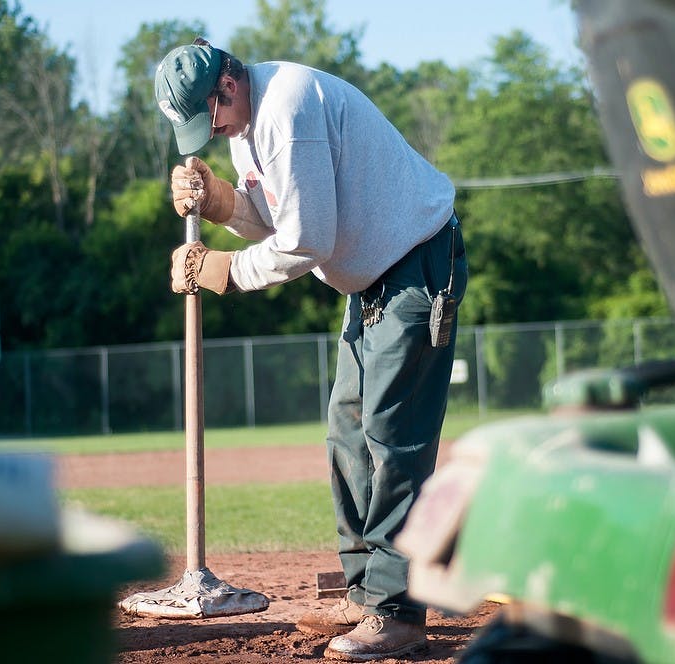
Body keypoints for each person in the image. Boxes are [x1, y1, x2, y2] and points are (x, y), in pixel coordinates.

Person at [154, 38, 468, 661]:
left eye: (209, 116)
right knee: (348, 433)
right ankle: (365, 595)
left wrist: (223, 270)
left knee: (392, 437)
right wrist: (222, 204)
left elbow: (307, 241)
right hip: (372, 278)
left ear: (228, 87)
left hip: (416, 266)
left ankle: (398, 613)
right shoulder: (248, 125)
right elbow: (278, 217)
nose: (211, 132)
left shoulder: (286, 111)